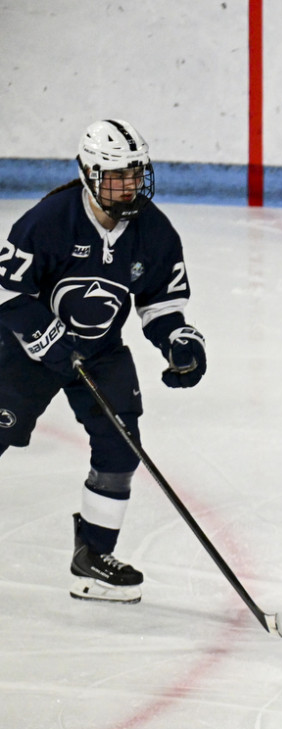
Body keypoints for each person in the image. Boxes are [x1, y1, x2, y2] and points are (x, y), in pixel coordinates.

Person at [0, 120, 208, 602]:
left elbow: (160, 303)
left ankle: (93, 557)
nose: (130, 185)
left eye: (135, 173)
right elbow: (8, 290)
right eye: (117, 176)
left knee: (120, 448)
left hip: (99, 352)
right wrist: (43, 335)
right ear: (89, 173)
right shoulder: (51, 219)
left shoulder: (153, 231)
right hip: (26, 350)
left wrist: (178, 339)